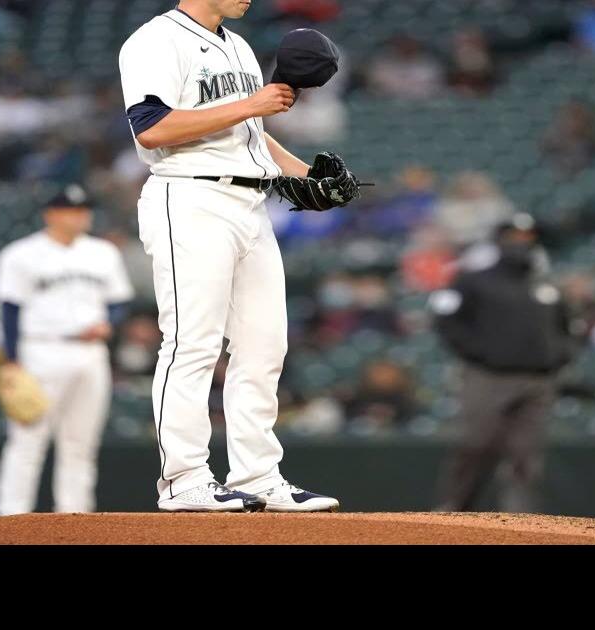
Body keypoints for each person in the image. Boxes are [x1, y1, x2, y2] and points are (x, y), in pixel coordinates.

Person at [119, 0, 356, 512]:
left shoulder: (239, 45)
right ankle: (183, 479)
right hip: (189, 196)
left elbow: (249, 134)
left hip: (251, 203)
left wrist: (306, 177)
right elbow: (152, 128)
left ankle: (259, 475)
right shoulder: (156, 40)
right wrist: (253, 104)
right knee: (192, 344)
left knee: (264, 346)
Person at [0, 184, 135, 516]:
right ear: (50, 214)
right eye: (71, 210)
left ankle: (75, 517)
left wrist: (108, 324)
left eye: (83, 209)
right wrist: (11, 361)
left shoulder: (103, 253)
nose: (79, 215)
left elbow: (118, 302)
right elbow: (9, 310)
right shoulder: (20, 254)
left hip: (91, 354)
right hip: (41, 351)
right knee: (28, 442)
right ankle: (9, 519)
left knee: (81, 443)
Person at [430, 214, 573, 512]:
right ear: (499, 241)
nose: (521, 244)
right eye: (514, 238)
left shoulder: (547, 286)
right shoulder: (473, 280)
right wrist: (478, 353)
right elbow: (446, 320)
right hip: (488, 377)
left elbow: (568, 329)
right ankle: (453, 511)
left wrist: (558, 356)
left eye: (527, 238)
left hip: (538, 381)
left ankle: (519, 523)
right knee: (476, 445)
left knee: (526, 455)